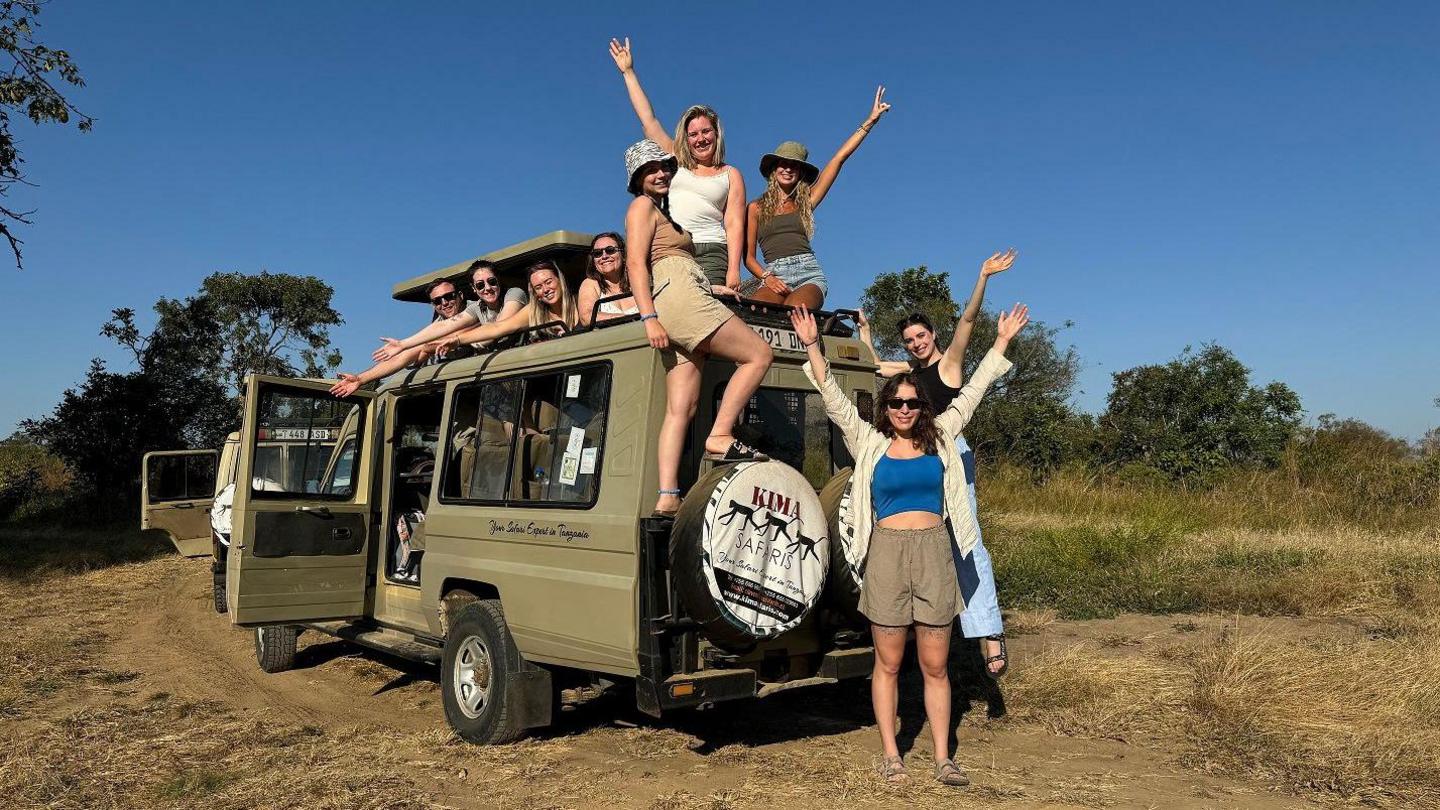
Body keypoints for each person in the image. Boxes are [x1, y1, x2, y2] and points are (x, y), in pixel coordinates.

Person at [791, 300, 1028, 787]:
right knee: (889, 662)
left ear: (923, 407)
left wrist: (1001, 341)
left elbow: (975, 389)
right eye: (895, 403)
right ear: (886, 408)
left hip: (935, 552)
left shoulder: (942, 435)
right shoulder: (870, 442)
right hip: (886, 556)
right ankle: (892, 755)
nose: (903, 409)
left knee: (935, 666)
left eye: (911, 402)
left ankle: (944, 758)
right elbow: (832, 396)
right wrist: (813, 345)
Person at [857, 249, 1018, 677]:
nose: (915, 343)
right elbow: (872, 365)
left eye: (920, 336)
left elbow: (966, 322)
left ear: (932, 334)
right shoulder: (909, 371)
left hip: (949, 450)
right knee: (927, 540)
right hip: (917, 455)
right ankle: (920, 623)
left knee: (967, 540)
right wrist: (867, 331)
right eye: (909, 340)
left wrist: (983, 276)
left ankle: (989, 632)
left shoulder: (948, 365)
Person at [622, 139, 773, 516]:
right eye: (650, 170)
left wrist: (714, 286)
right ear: (637, 180)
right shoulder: (642, 207)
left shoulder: (663, 212)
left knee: (681, 408)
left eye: (663, 167)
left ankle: (668, 494)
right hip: (678, 299)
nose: (660, 173)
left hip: (686, 292)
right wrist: (648, 317)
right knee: (758, 354)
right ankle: (721, 435)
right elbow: (637, 265)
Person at [609, 38, 745, 289]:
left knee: (710, 311)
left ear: (716, 133)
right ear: (686, 137)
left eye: (706, 132)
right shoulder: (673, 159)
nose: (700, 139)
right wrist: (628, 72)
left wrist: (734, 270)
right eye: (693, 134)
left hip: (713, 250)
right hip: (673, 246)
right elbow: (648, 119)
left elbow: (735, 224)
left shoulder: (731, 174)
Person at [329, 261, 578, 398]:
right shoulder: (472, 311)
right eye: (438, 301)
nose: (445, 303)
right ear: (473, 289)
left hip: (525, 371)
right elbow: (422, 344)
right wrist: (365, 376)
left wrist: (454, 340)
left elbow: (499, 327)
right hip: (493, 383)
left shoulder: (513, 296)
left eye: (492, 281)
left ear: (460, 295)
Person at [742, 86, 892, 309]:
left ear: (801, 172)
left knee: (796, 314)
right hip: (773, 273)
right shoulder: (755, 207)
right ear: (774, 169)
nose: (788, 169)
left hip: (808, 274)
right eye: (783, 163)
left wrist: (869, 122)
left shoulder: (806, 202)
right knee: (757, 312)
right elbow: (748, 257)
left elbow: (839, 158)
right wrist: (767, 277)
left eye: (795, 165)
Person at [576, 231, 638, 325]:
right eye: (598, 253)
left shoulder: (638, 280)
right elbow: (587, 317)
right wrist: (625, 318)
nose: (604, 256)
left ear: (623, 255)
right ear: (593, 260)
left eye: (610, 250)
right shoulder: (591, 284)